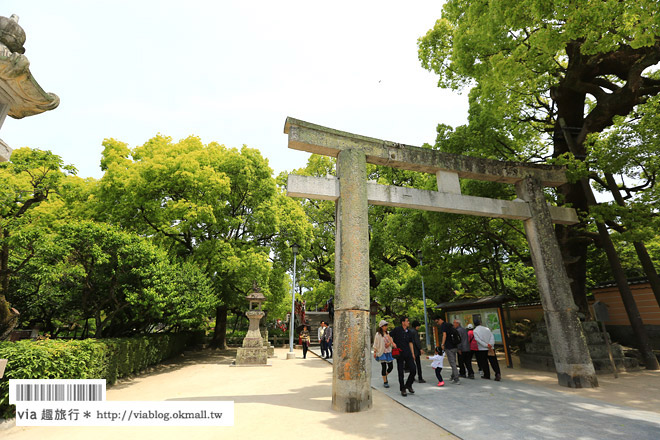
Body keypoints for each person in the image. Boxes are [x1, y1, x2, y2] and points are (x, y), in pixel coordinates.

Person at [389, 316, 417, 397]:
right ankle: (402, 388)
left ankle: (408, 384)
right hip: (399, 353)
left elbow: (410, 343)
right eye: (407, 321)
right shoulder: (397, 329)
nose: (408, 322)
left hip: (408, 353)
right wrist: (392, 343)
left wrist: (412, 353)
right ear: (403, 322)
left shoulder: (409, 332)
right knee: (400, 371)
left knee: (413, 369)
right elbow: (388, 335)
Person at [435, 316, 460, 384]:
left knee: (452, 363)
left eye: (437, 322)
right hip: (454, 346)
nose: (437, 323)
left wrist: (442, 344)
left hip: (449, 347)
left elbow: (444, 335)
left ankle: (456, 379)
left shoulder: (443, 326)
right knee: (453, 362)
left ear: (440, 319)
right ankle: (453, 376)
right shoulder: (449, 325)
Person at [372, 319, 395, 388]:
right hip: (382, 352)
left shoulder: (388, 333)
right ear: (381, 326)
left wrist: (389, 343)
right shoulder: (378, 334)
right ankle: (385, 381)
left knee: (391, 367)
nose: (386, 327)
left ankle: (385, 375)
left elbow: (391, 341)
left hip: (388, 352)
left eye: (386, 326)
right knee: (384, 367)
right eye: (385, 326)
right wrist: (375, 352)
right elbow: (375, 343)